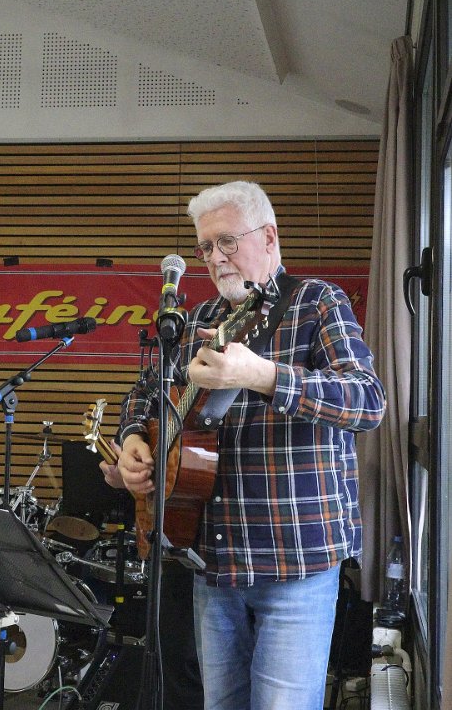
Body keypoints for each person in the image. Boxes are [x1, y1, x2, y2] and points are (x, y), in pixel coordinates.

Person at [116, 180, 386, 710]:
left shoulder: (317, 302)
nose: (215, 258)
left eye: (226, 242)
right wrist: (130, 440)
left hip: (295, 560)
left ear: (269, 236)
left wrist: (262, 375)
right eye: (205, 248)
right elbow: (143, 395)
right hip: (213, 561)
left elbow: (367, 400)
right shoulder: (199, 320)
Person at [100, 439, 204, 710]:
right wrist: (132, 445)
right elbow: (137, 414)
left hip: (233, 544)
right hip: (177, 544)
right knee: (175, 660)